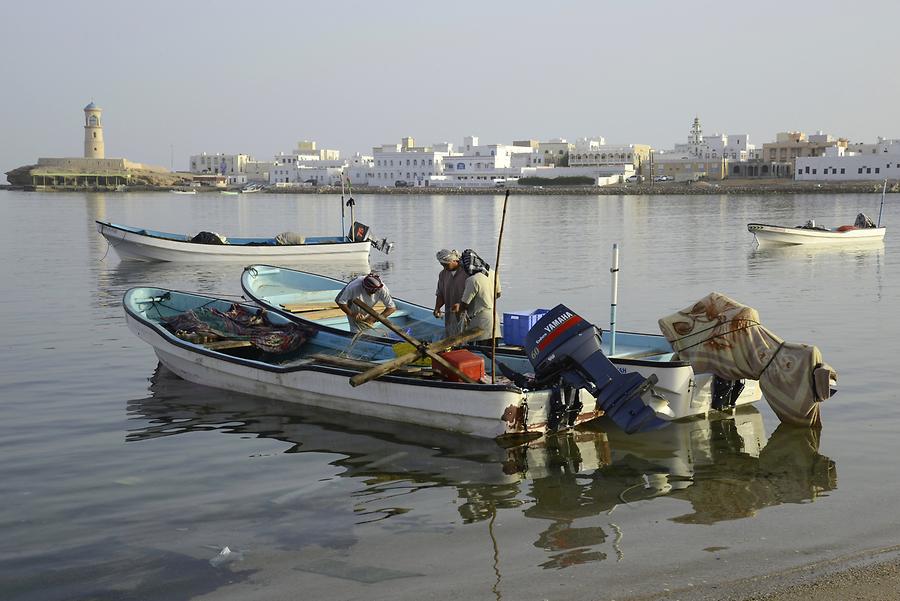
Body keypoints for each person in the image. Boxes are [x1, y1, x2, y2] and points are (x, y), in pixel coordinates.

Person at [452, 249, 501, 344]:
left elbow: (464, 304)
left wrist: (458, 307)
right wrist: (485, 300)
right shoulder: (492, 273)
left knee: (480, 352)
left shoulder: (473, 280)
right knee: (493, 350)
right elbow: (498, 294)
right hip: (494, 319)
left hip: (480, 323)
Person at [433, 248, 467, 338]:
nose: (444, 267)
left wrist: (461, 305)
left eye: (446, 264)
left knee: (464, 338)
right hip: (450, 314)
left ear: (454, 260)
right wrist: (437, 308)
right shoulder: (443, 274)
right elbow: (440, 294)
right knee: (451, 338)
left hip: (465, 314)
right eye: (442, 265)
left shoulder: (466, 273)